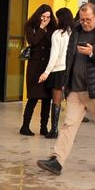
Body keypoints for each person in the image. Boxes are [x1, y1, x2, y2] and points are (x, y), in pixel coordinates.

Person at [36, 3, 95, 176]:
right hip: (75, 89)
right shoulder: (75, 31)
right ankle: (57, 161)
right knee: (68, 125)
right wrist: (66, 82)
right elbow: (69, 57)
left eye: (88, 19)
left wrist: (93, 52)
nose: (85, 22)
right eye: (82, 19)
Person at [39, 8, 76, 139]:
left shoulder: (58, 34)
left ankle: (54, 129)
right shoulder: (73, 33)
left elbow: (54, 55)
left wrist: (46, 72)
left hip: (58, 70)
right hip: (70, 70)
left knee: (56, 101)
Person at [21, 5, 55, 136]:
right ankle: (25, 126)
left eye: (48, 17)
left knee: (47, 98)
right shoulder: (30, 26)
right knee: (33, 97)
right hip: (35, 66)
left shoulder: (53, 28)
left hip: (48, 66)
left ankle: (43, 127)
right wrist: (41, 28)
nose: (45, 19)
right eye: (43, 16)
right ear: (38, 15)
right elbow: (33, 41)